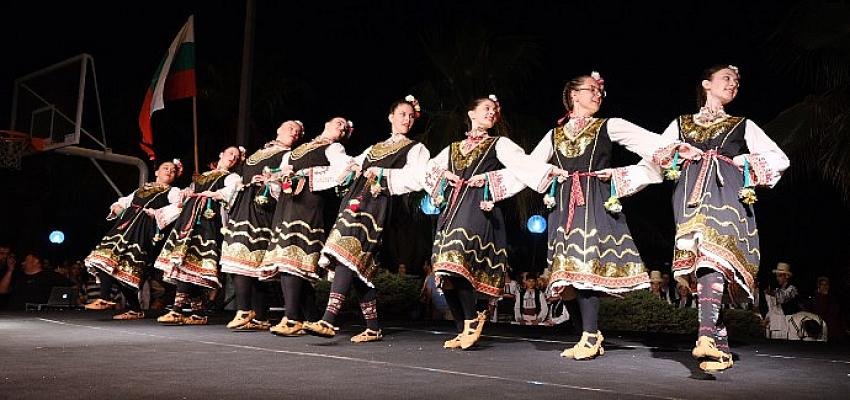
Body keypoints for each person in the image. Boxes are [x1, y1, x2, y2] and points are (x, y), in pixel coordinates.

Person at [527, 72, 701, 360]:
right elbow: (528, 166)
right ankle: (587, 334)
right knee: (564, 279)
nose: (598, 95)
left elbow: (650, 145)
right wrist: (547, 173)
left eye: (600, 92)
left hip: (593, 200)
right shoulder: (554, 135)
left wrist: (674, 153)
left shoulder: (609, 126)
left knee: (584, 266)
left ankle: (589, 335)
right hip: (563, 204)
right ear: (574, 95)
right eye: (591, 90)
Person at [661, 65, 789, 372]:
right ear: (707, 84)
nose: (733, 84)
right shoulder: (682, 123)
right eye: (726, 78)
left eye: (737, 81)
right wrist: (678, 151)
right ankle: (720, 349)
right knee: (703, 262)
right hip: (690, 194)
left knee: (713, 257)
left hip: (726, 192)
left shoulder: (741, 124)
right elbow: (657, 154)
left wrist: (742, 161)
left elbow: (779, 158)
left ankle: (705, 336)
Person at [425, 95, 552, 350]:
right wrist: (445, 174)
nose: (492, 112)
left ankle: (472, 319)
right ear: (471, 114)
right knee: (443, 271)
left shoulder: (499, 144)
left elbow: (523, 166)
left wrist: (490, 181)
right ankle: (461, 328)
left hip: (478, 209)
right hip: (452, 209)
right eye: (486, 108)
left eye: (494, 110)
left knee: (457, 258)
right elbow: (428, 169)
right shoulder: (453, 148)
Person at [305, 96, 429, 343]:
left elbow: (418, 177)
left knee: (346, 252)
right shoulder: (374, 148)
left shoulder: (416, 148)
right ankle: (373, 328)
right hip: (355, 201)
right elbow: (351, 167)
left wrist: (383, 173)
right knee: (356, 265)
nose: (407, 119)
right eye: (402, 114)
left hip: (378, 206)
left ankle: (328, 320)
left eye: (410, 116)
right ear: (391, 117)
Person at [259, 117, 355, 337]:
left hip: (308, 204)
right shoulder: (297, 151)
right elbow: (281, 175)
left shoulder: (334, 148)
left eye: (345, 128)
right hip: (288, 203)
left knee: (292, 258)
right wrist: (274, 179)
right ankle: (310, 317)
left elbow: (344, 170)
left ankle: (292, 318)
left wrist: (306, 174)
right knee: (287, 261)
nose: (342, 127)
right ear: (326, 124)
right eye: (339, 123)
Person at [220, 120, 304, 331]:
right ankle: (258, 315)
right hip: (244, 203)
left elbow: (288, 181)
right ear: (278, 130)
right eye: (290, 128)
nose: (294, 132)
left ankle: (247, 310)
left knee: (251, 253)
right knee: (245, 256)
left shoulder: (290, 155)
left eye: (298, 132)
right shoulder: (259, 152)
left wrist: (270, 182)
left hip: (265, 206)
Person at [154, 146, 244, 325]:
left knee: (192, 260)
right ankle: (198, 311)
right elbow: (189, 192)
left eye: (236, 156)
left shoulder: (232, 177)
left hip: (208, 220)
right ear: (221, 154)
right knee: (186, 261)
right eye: (230, 153)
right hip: (189, 218)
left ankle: (177, 310)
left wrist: (214, 194)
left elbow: (231, 193)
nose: (233, 157)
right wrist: (187, 191)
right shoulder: (202, 176)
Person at [83, 160, 183, 319]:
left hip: (143, 229)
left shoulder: (174, 191)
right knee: (103, 258)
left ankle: (107, 298)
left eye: (173, 170)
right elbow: (124, 201)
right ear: (156, 172)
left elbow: (180, 206)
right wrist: (117, 207)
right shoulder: (142, 189)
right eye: (166, 168)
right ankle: (125, 305)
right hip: (125, 225)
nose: (169, 171)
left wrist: (158, 213)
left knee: (126, 267)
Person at [0, 253, 72, 310]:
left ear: (36, 261)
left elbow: (71, 288)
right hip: (13, 315)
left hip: (37, 316)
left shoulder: (51, 276)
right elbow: (2, 290)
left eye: (25, 260)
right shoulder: (18, 275)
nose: (23, 263)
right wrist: (10, 270)